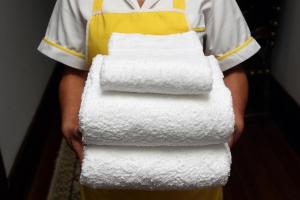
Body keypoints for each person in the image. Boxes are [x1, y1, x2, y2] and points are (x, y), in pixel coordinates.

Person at [37, 0, 261, 199]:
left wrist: (231, 120)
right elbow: (74, 69)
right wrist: (70, 118)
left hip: (193, 175)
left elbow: (231, 64)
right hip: (108, 176)